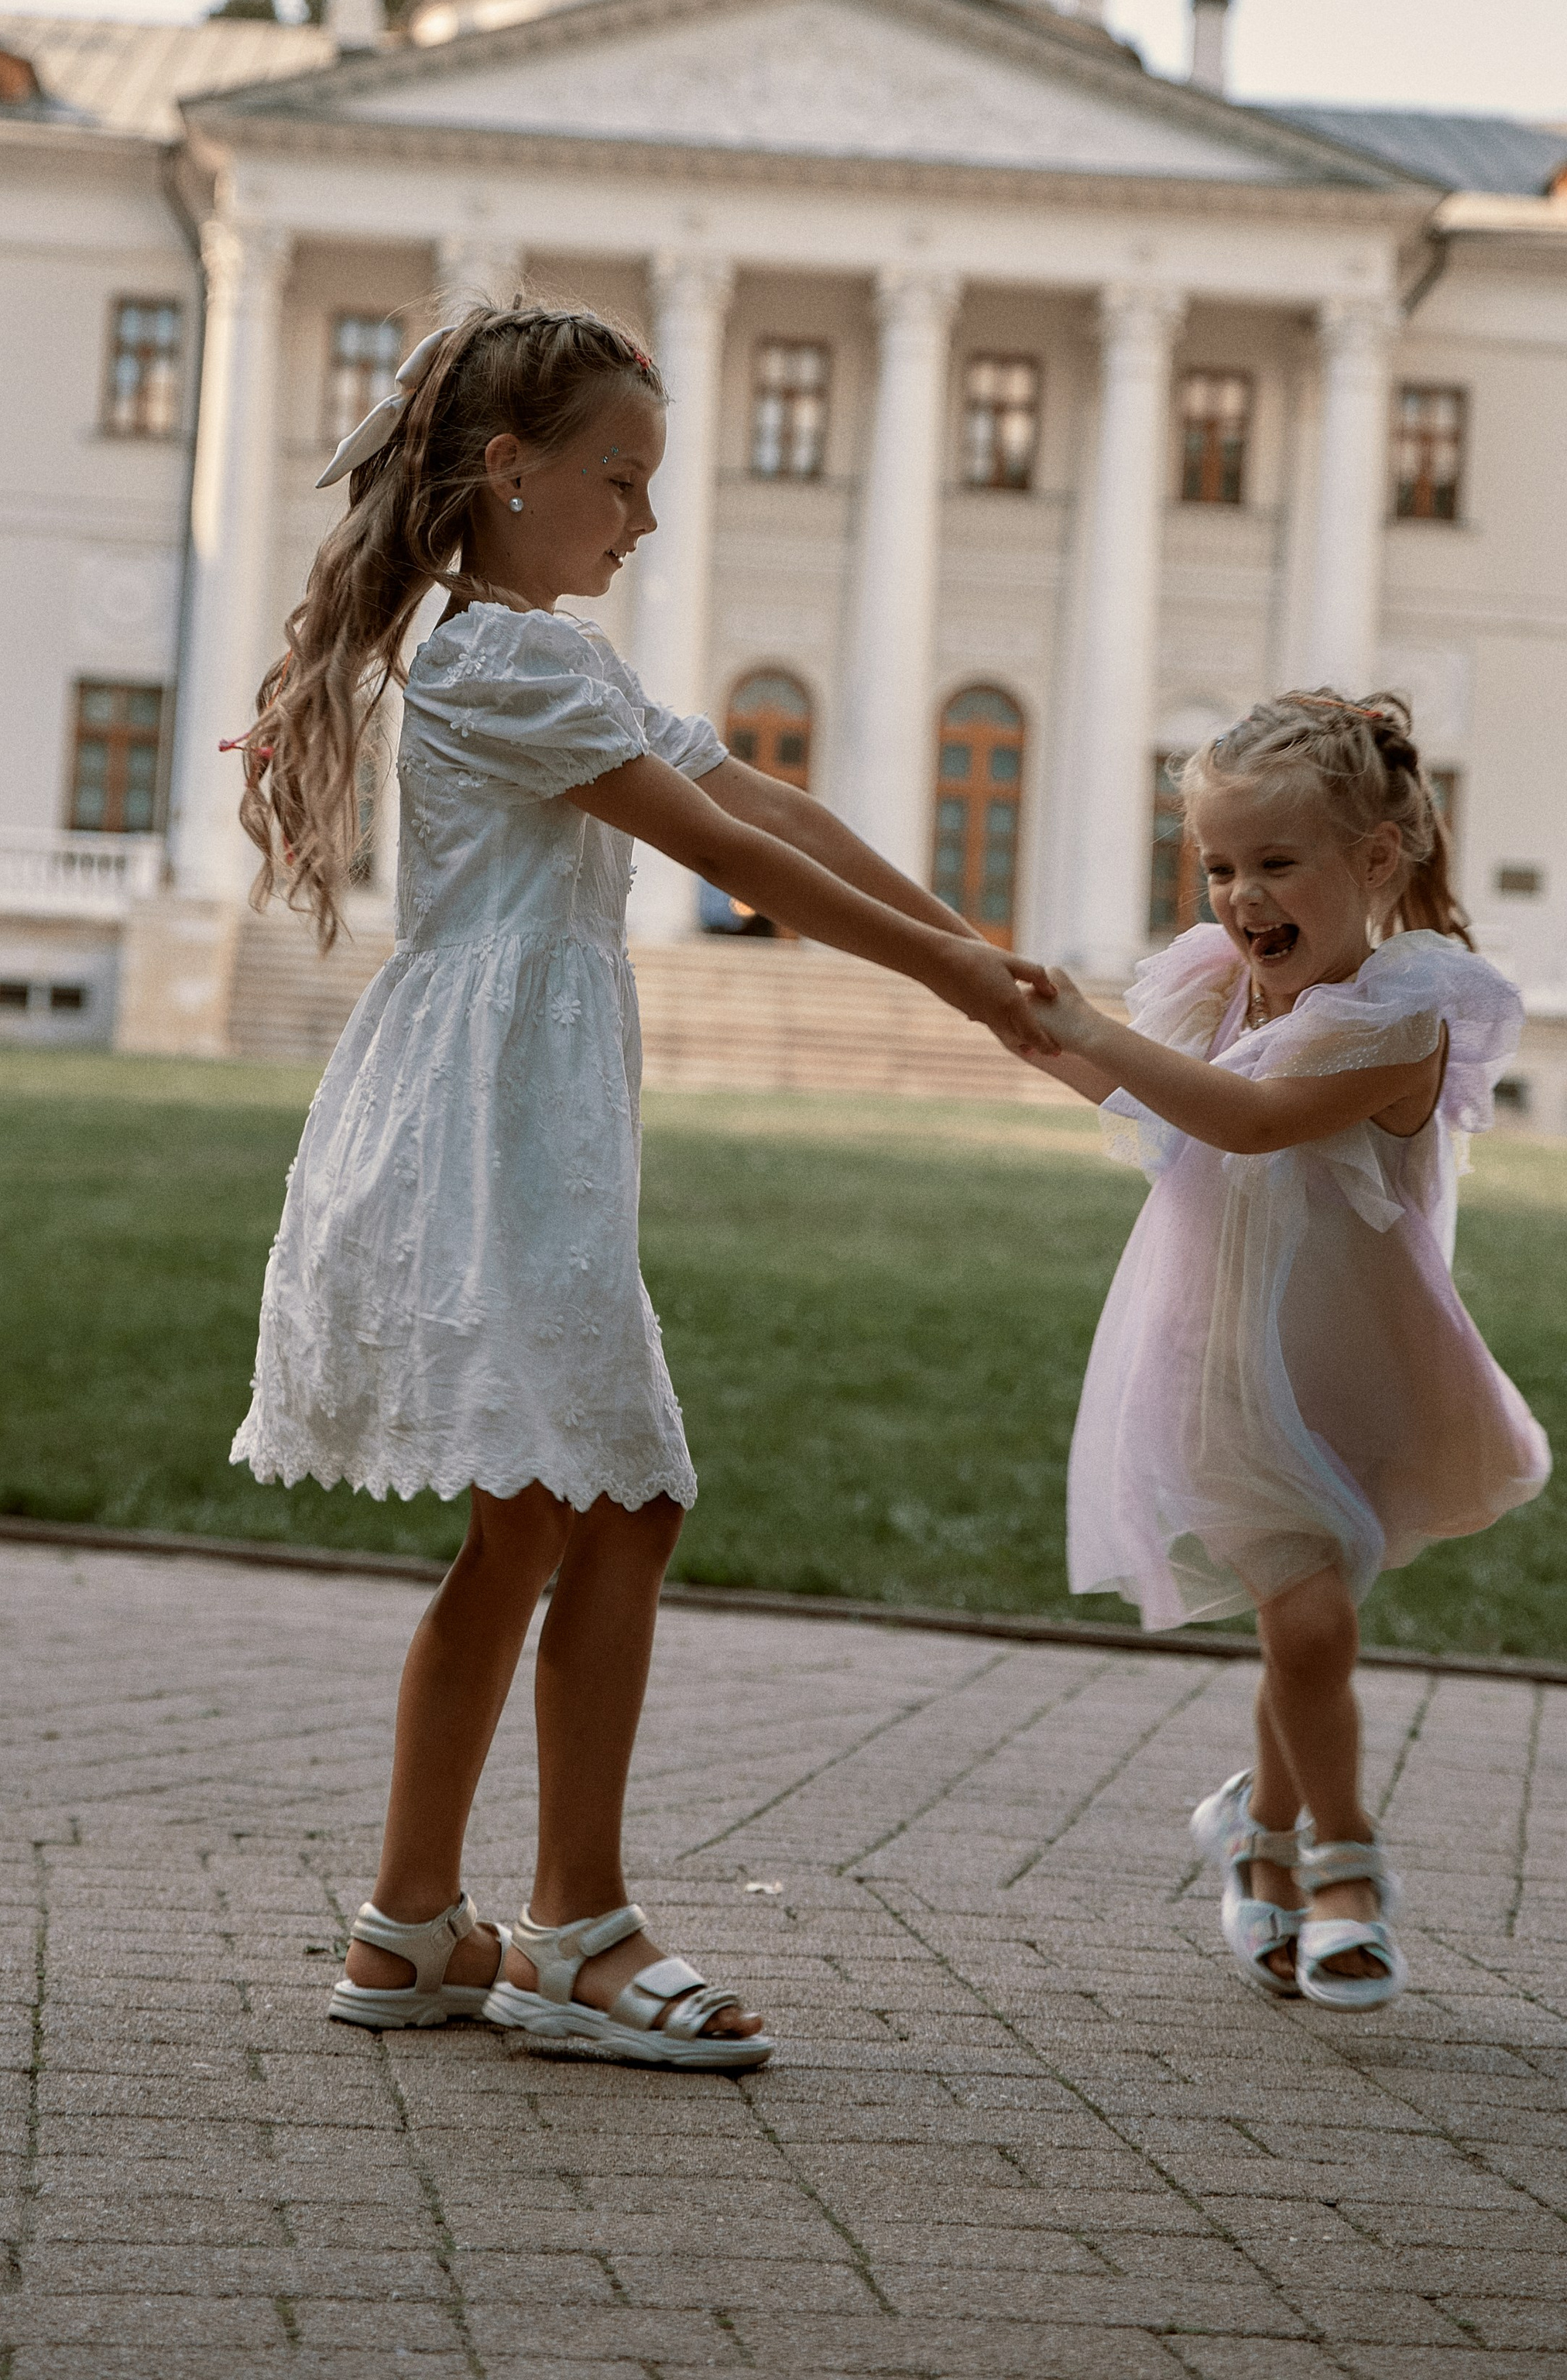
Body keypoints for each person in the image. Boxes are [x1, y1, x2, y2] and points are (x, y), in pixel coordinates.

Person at [227, 300, 1058, 2070]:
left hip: (510, 1121)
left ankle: (408, 1927)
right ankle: (573, 1934)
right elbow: (722, 849)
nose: (645, 519)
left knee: (533, 1516)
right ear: (508, 471)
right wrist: (948, 981)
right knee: (618, 1501)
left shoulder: (540, 654)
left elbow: (770, 800)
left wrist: (967, 940)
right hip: (490, 1135)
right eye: (622, 479)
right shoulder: (502, 666)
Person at [1026, 692, 1548, 2010]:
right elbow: (1151, 1094)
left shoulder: (1405, 1015)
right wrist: (1030, 1024)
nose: (1239, 896)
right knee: (1308, 1621)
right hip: (1220, 1355)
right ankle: (1346, 1868)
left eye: (1273, 863)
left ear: (1375, 862)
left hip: (1361, 1357)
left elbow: (1254, 1123)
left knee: (1304, 1624)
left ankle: (1251, 1834)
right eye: (1216, 866)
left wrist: (1098, 1029)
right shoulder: (1213, 986)